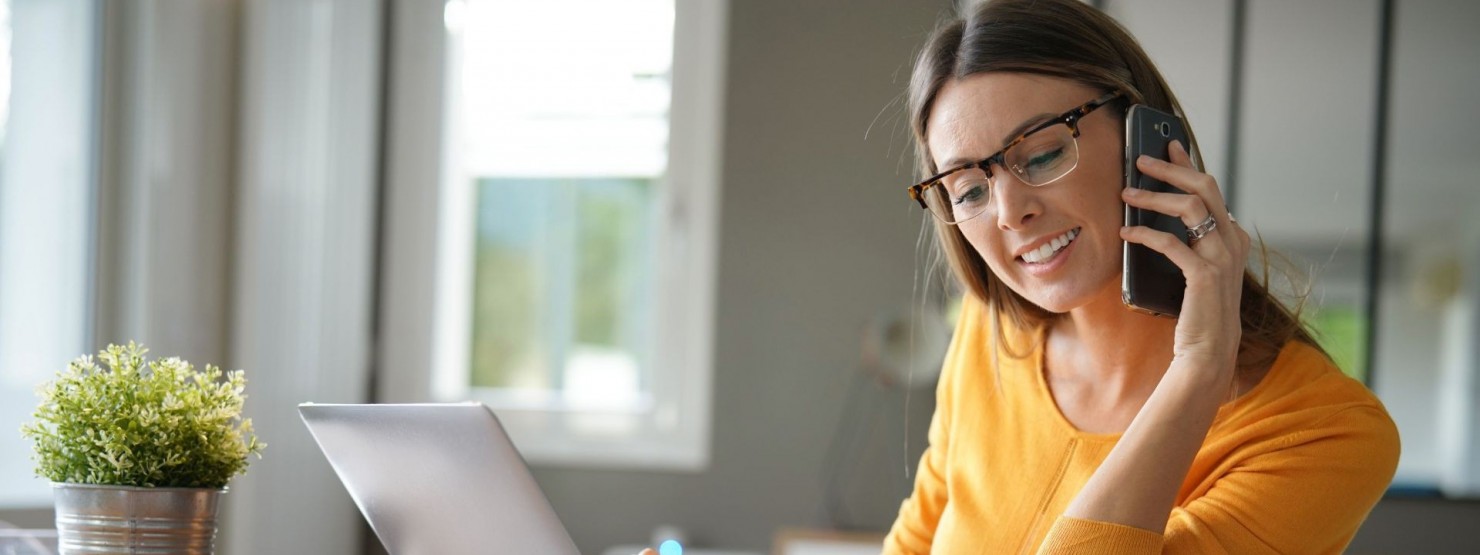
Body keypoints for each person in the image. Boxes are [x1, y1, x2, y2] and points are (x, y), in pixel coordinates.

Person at [883, 0, 1399, 553]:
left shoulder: (1327, 434)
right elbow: (913, 543)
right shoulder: (986, 336)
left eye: (1041, 155)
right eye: (969, 191)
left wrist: (1199, 369)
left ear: (1147, 142)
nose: (1008, 213)